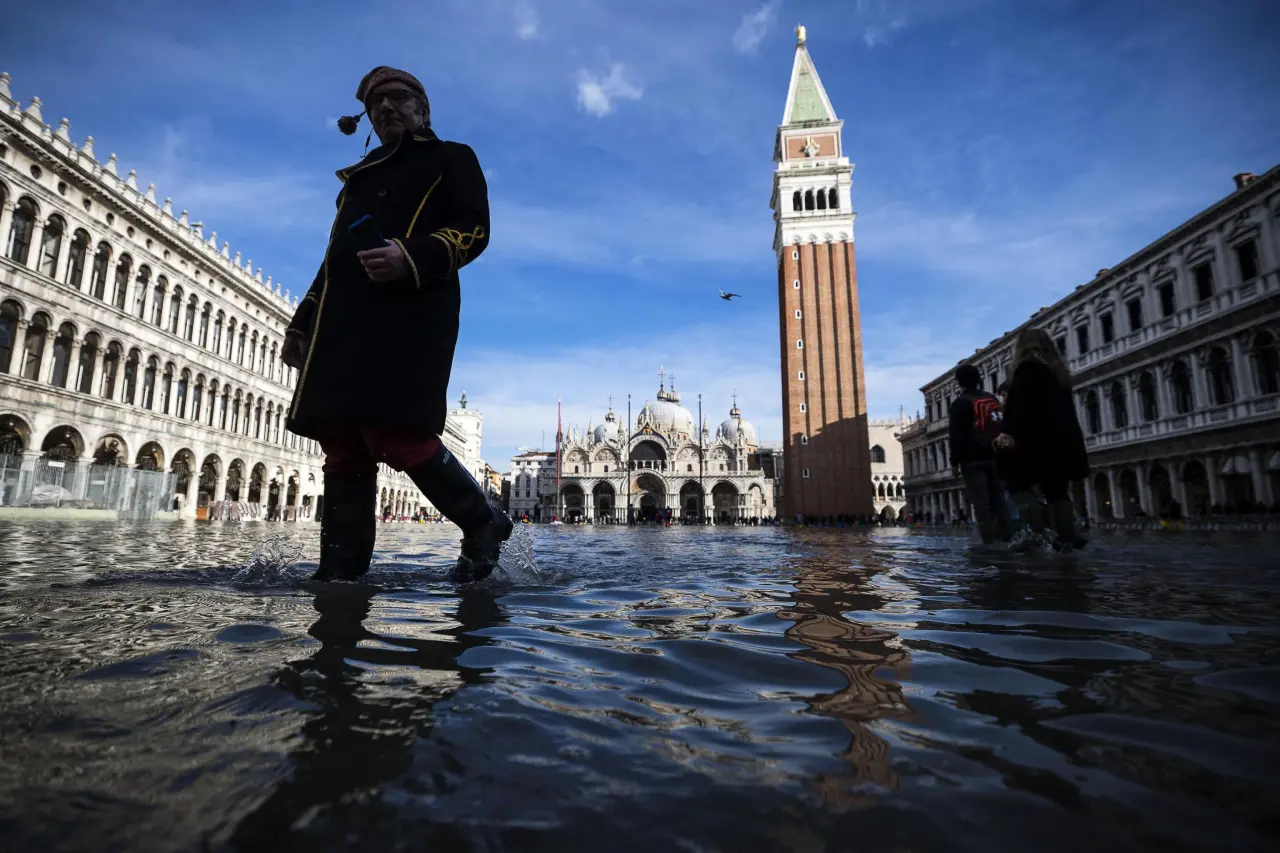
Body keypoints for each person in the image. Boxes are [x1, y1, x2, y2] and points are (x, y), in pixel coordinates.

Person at [282, 66, 511, 583]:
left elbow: (474, 229)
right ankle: (339, 573)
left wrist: (411, 256)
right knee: (342, 440)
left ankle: (483, 520)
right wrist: (303, 321)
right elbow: (333, 259)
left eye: (399, 98)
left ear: (422, 109)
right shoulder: (356, 181)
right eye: (375, 104)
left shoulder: (451, 157)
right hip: (343, 322)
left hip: (410, 312)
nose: (386, 108)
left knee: (395, 431)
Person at [997, 328, 1089, 550]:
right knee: (1057, 488)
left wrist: (1006, 433)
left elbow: (1020, 406)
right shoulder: (1059, 372)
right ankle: (1068, 534)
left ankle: (1034, 529)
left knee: (1014, 480)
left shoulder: (1026, 369)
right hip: (1064, 439)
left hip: (1037, 439)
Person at [949, 364, 1013, 545]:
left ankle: (989, 542)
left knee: (981, 502)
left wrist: (954, 461)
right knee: (999, 500)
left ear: (959, 382)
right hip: (995, 455)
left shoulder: (960, 403)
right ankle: (1009, 538)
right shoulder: (991, 399)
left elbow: (956, 435)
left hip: (972, 459)